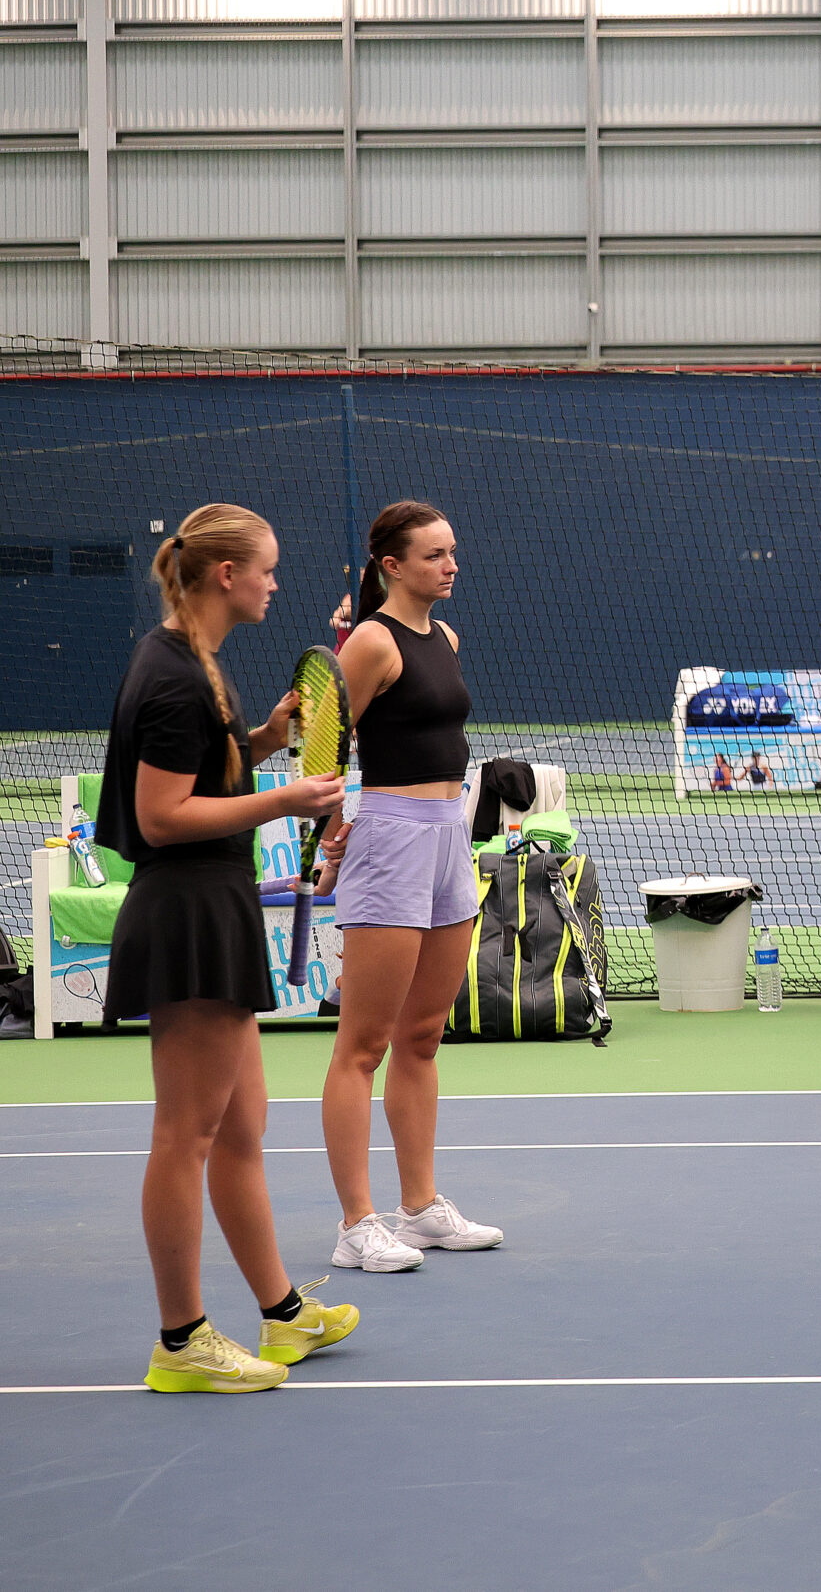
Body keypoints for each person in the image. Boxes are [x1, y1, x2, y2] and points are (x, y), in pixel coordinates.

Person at [96, 503, 357, 1393]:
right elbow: (160, 817)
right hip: (189, 916)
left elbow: (201, 777)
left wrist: (262, 746)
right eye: (269, 569)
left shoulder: (195, 663)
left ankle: (283, 1315)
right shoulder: (172, 676)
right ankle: (181, 1341)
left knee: (241, 1128)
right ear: (225, 577)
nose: (276, 583)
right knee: (186, 1134)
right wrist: (284, 801)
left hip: (218, 901)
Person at [310, 500, 504, 1275]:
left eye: (452, 551)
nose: (449, 564)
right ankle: (357, 1223)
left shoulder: (445, 636)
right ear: (391, 565)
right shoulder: (370, 641)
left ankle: (419, 1208)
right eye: (433, 555)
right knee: (362, 1045)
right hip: (390, 839)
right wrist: (330, 833)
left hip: (451, 838)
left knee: (423, 1035)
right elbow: (323, 740)